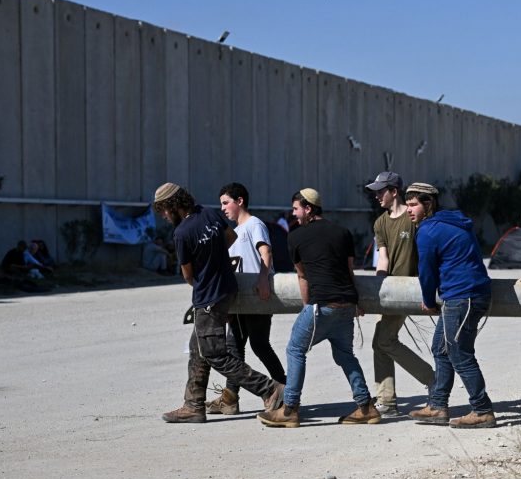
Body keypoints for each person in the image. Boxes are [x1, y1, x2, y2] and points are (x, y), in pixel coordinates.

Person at [152, 182, 285, 424]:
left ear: (173, 206)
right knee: (198, 348)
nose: (163, 216)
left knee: (215, 354)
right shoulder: (209, 214)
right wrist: (214, 258)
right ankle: (193, 405)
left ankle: (269, 389)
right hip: (227, 290)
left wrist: (206, 270)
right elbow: (230, 237)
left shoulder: (182, 233)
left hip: (208, 298)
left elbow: (188, 275)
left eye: (163, 210)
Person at [255, 188, 378, 428]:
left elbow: (303, 277)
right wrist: (357, 302)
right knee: (345, 355)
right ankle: (366, 407)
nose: (293, 214)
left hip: (321, 305)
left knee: (295, 349)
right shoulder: (343, 232)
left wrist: (306, 308)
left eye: (296, 209)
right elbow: (348, 271)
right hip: (346, 305)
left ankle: (289, 409)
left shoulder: (295, 237)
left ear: (308, 208)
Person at [404, 183, 497, 429]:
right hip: (467, 294)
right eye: (407, 204)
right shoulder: (455, 221)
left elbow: (426, 271)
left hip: (462, 297)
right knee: (441, 349)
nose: (408, 210)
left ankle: (482, 410)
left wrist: (427, 299)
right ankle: (437, 406)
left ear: (429, 204)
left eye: (413, 204)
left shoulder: (427, 230)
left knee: (460, 354)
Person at [205, 182, 287, 416]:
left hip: (257, 296)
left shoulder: (254, 224)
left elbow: (266, 252)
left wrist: (263, 280)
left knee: (259, 345)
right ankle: (230, 399)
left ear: (239, 201)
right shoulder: (234, 232)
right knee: (234, 347)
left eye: (226, 202)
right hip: (240, 300)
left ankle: (286, 391)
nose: (223, 208)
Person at [364, 171, 436, 416]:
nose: (376, 196)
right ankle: (387, 400)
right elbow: (382, 259)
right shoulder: (380, 223)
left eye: (380, 191)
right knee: (379, 343)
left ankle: (432, 380)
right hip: (389, 290)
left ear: (394, 191)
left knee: (384, 340)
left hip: (410, 289)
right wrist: (378, 289)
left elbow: (426, 253)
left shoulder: (413, 216)